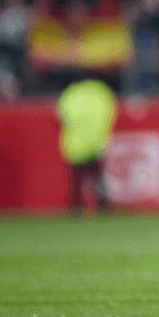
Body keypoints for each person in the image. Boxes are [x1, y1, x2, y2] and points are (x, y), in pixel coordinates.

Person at [57, 79, 117, 215]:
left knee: (77, 181)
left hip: (75, 146)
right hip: (96, 144)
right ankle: (104, 206)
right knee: (98, 178)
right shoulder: (101, 93)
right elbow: (110, 116)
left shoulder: (70, 95)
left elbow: (62, 118)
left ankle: (76, 207)